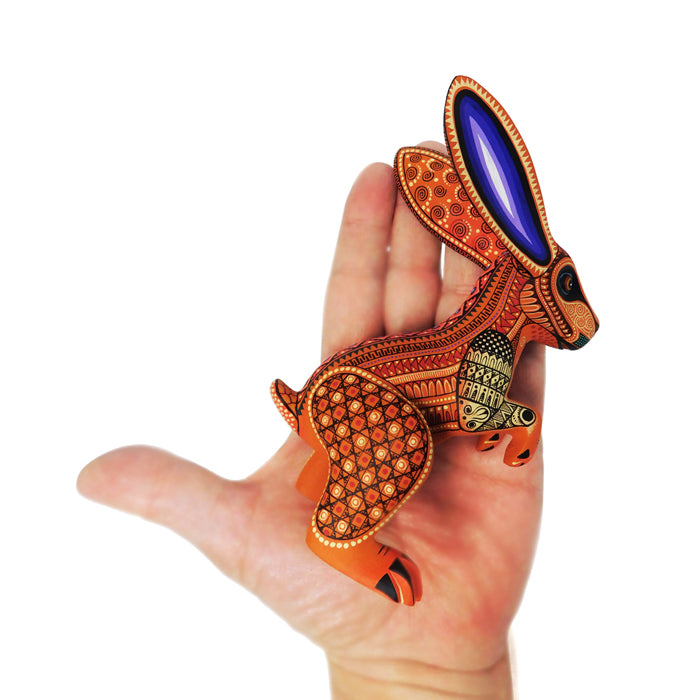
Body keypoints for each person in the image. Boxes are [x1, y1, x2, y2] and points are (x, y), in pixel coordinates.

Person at [77, 147, 545, 699]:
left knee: (398, 432)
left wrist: (442, 679)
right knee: (403, 439)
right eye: (564, 289)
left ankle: (322, 472)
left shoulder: (487, 341)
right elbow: (473, 409)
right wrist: (522, 422)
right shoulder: (488, 345)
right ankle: (338, 538)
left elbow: (469, 407)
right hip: (342, 401)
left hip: (333, 405)